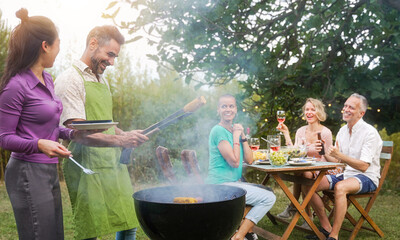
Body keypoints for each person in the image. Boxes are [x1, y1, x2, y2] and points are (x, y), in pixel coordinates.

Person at [54, 25, 148, 240]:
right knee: (91, 229)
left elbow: (107, 124)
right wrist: (120, 140)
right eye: (110, 54)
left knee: (128, 222)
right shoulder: (70, 80)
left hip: (112, 163)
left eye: (115, 56)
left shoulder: (101, 78)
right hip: (86, 164)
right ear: (93, 44)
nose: (112, 62)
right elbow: (78, 133)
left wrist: (126, 134)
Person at [0, 8, 81, 240]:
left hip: (48, 169)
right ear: (45, 45)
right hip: (27, 172)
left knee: (54, 235)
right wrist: (39, 145)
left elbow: (50, 127)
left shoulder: (47, 79)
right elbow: (4, 137)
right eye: (58, 44)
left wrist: (72, 133)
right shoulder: (16, 86)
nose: (59, 50)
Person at [306, 93, 382, 240]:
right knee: (309, 184)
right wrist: (323, 151)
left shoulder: (370, 133)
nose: (346, 109)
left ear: (361, 113)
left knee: (340, 187)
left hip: (367, 177)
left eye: (351, 107)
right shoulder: (342, 131)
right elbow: (336, 161)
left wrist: (339, 156)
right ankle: (326, 227)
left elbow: (364, 166)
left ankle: (334, 237)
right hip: (346, 174)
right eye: (345, 105)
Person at [205, 94, 276, 240]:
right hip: (220, 187)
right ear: (218, 110)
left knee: (265, 193)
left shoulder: (234, 130)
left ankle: (242, 233)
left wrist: (242, 136)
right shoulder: (218, 131)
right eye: (224, 106)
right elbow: (235, 162)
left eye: (231, 106)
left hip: (232, 185)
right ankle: (240, 235)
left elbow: (250, 159)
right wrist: (236, 136)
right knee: (268, 197)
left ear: (236, 109)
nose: (228, 109)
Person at [276, 98, 342, 230]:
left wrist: (323, 150)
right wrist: (286, 134)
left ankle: (299, 210)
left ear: (319, 113)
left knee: (304, 174)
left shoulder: (325, 132)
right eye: (307, 109)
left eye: (313, 109)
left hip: (325, 169)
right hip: (306, 167)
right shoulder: (301, 131)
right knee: (302, 172)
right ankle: (302, 212)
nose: (309, 112)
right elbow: (294, 151)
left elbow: (333, 160)